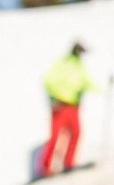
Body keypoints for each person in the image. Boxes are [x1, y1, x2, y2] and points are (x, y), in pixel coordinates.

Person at [40, 41, 95, 177]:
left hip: (73, 106)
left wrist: (105, 89)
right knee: (55, 136)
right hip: (60, 105)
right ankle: (46, 167)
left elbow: (86, 82)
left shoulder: (79, 66)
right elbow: (48, 80)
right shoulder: (63, 63)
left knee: (76, 132)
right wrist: (52, 98)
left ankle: (69, 163)